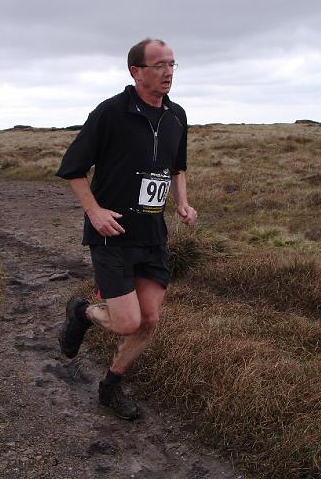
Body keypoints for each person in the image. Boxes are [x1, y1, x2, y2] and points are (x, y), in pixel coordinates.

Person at [56, 38, 197, 420]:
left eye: (172, 64)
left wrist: (182, 202)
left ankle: (111, 387)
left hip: (153, 235)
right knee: (127, 321)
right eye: (159, 65)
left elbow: (176, 167)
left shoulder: (177, 115)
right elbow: (72, 169)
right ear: (135, 71)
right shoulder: (111, 112)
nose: (168, 72)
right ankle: (83, 312)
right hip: (112, 234)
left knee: (149, 320)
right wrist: (94, 212)